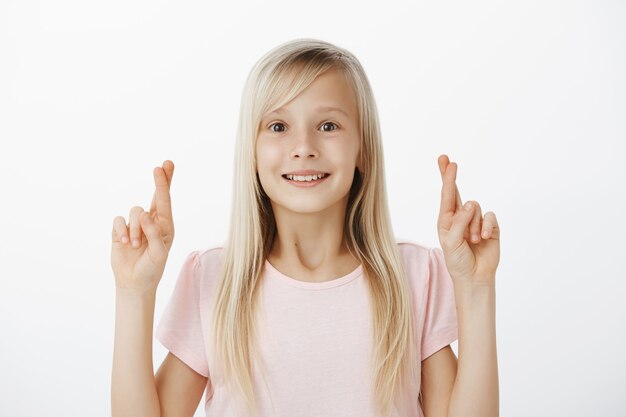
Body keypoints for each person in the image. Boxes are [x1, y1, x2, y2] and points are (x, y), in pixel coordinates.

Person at [111, 38, 500, 417]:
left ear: (362, 147)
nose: (304, 147)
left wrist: (476, 288)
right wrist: (134, 292)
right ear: (252, 151)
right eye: (278, 127)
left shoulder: (415, 275)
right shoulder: (213, 279)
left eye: (328, 126)